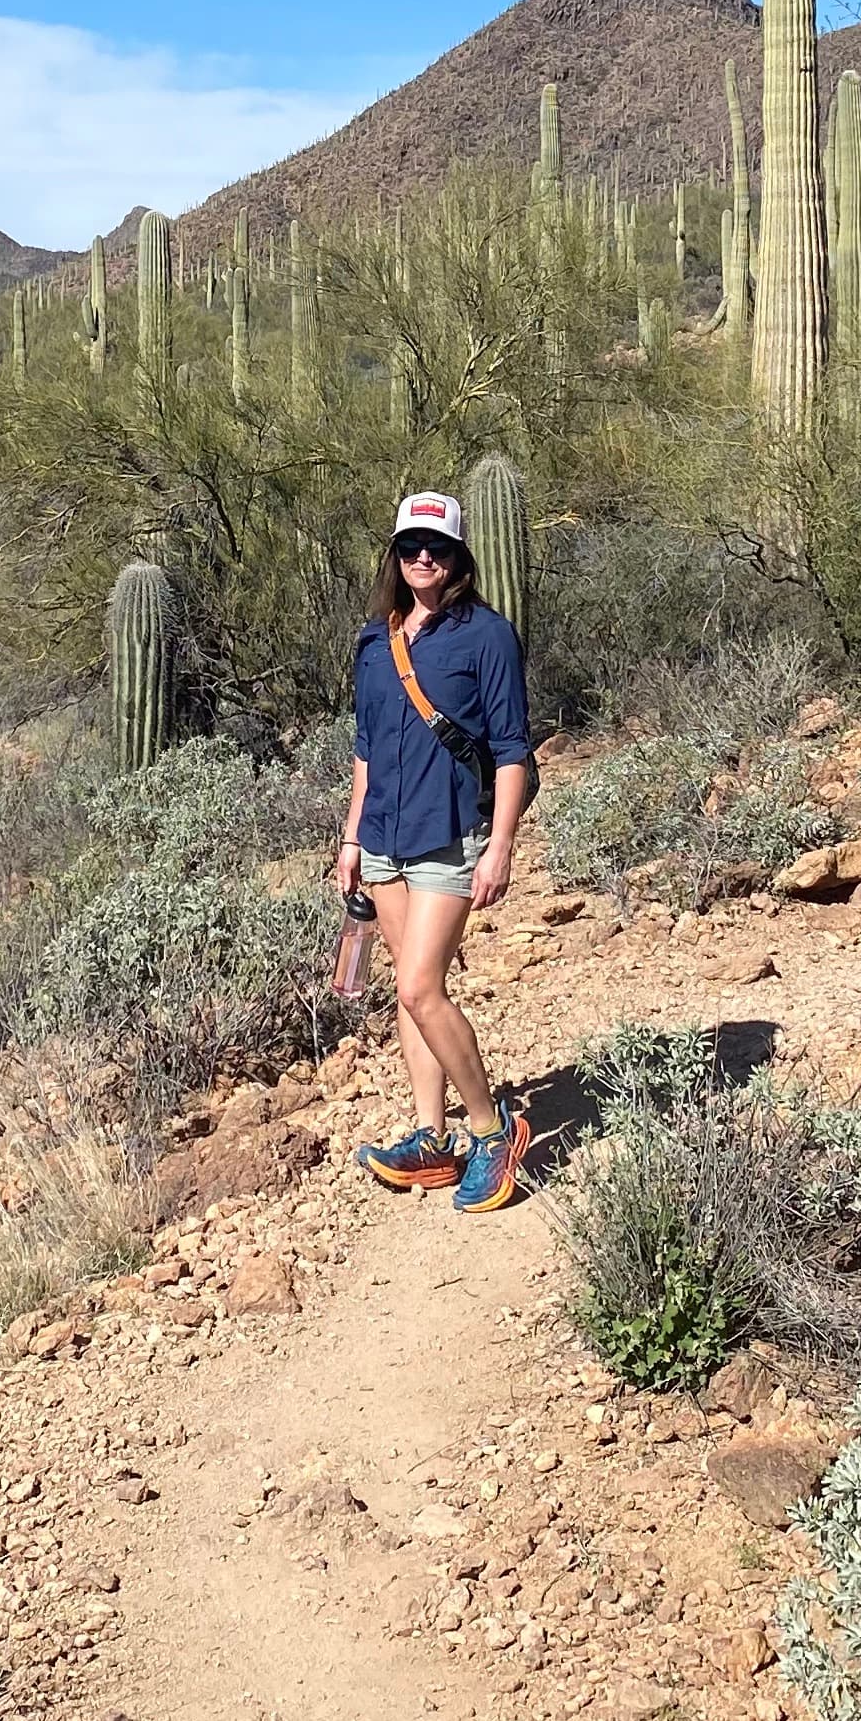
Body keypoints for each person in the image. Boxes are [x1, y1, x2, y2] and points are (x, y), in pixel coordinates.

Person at [336, 488, 535, 1212]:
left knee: (422, 985)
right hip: (384, 836)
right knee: (408, 994)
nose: (425, 559)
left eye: (439, 549)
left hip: (448, 836)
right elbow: (365, 749)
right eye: (412, 547)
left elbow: (511, 749)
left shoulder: (487, 636)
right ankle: (431, 1139)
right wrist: (352, 837)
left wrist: (501, 845)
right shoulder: (375, 639)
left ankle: (490, 1130)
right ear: (395, 555)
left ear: (459, 559)